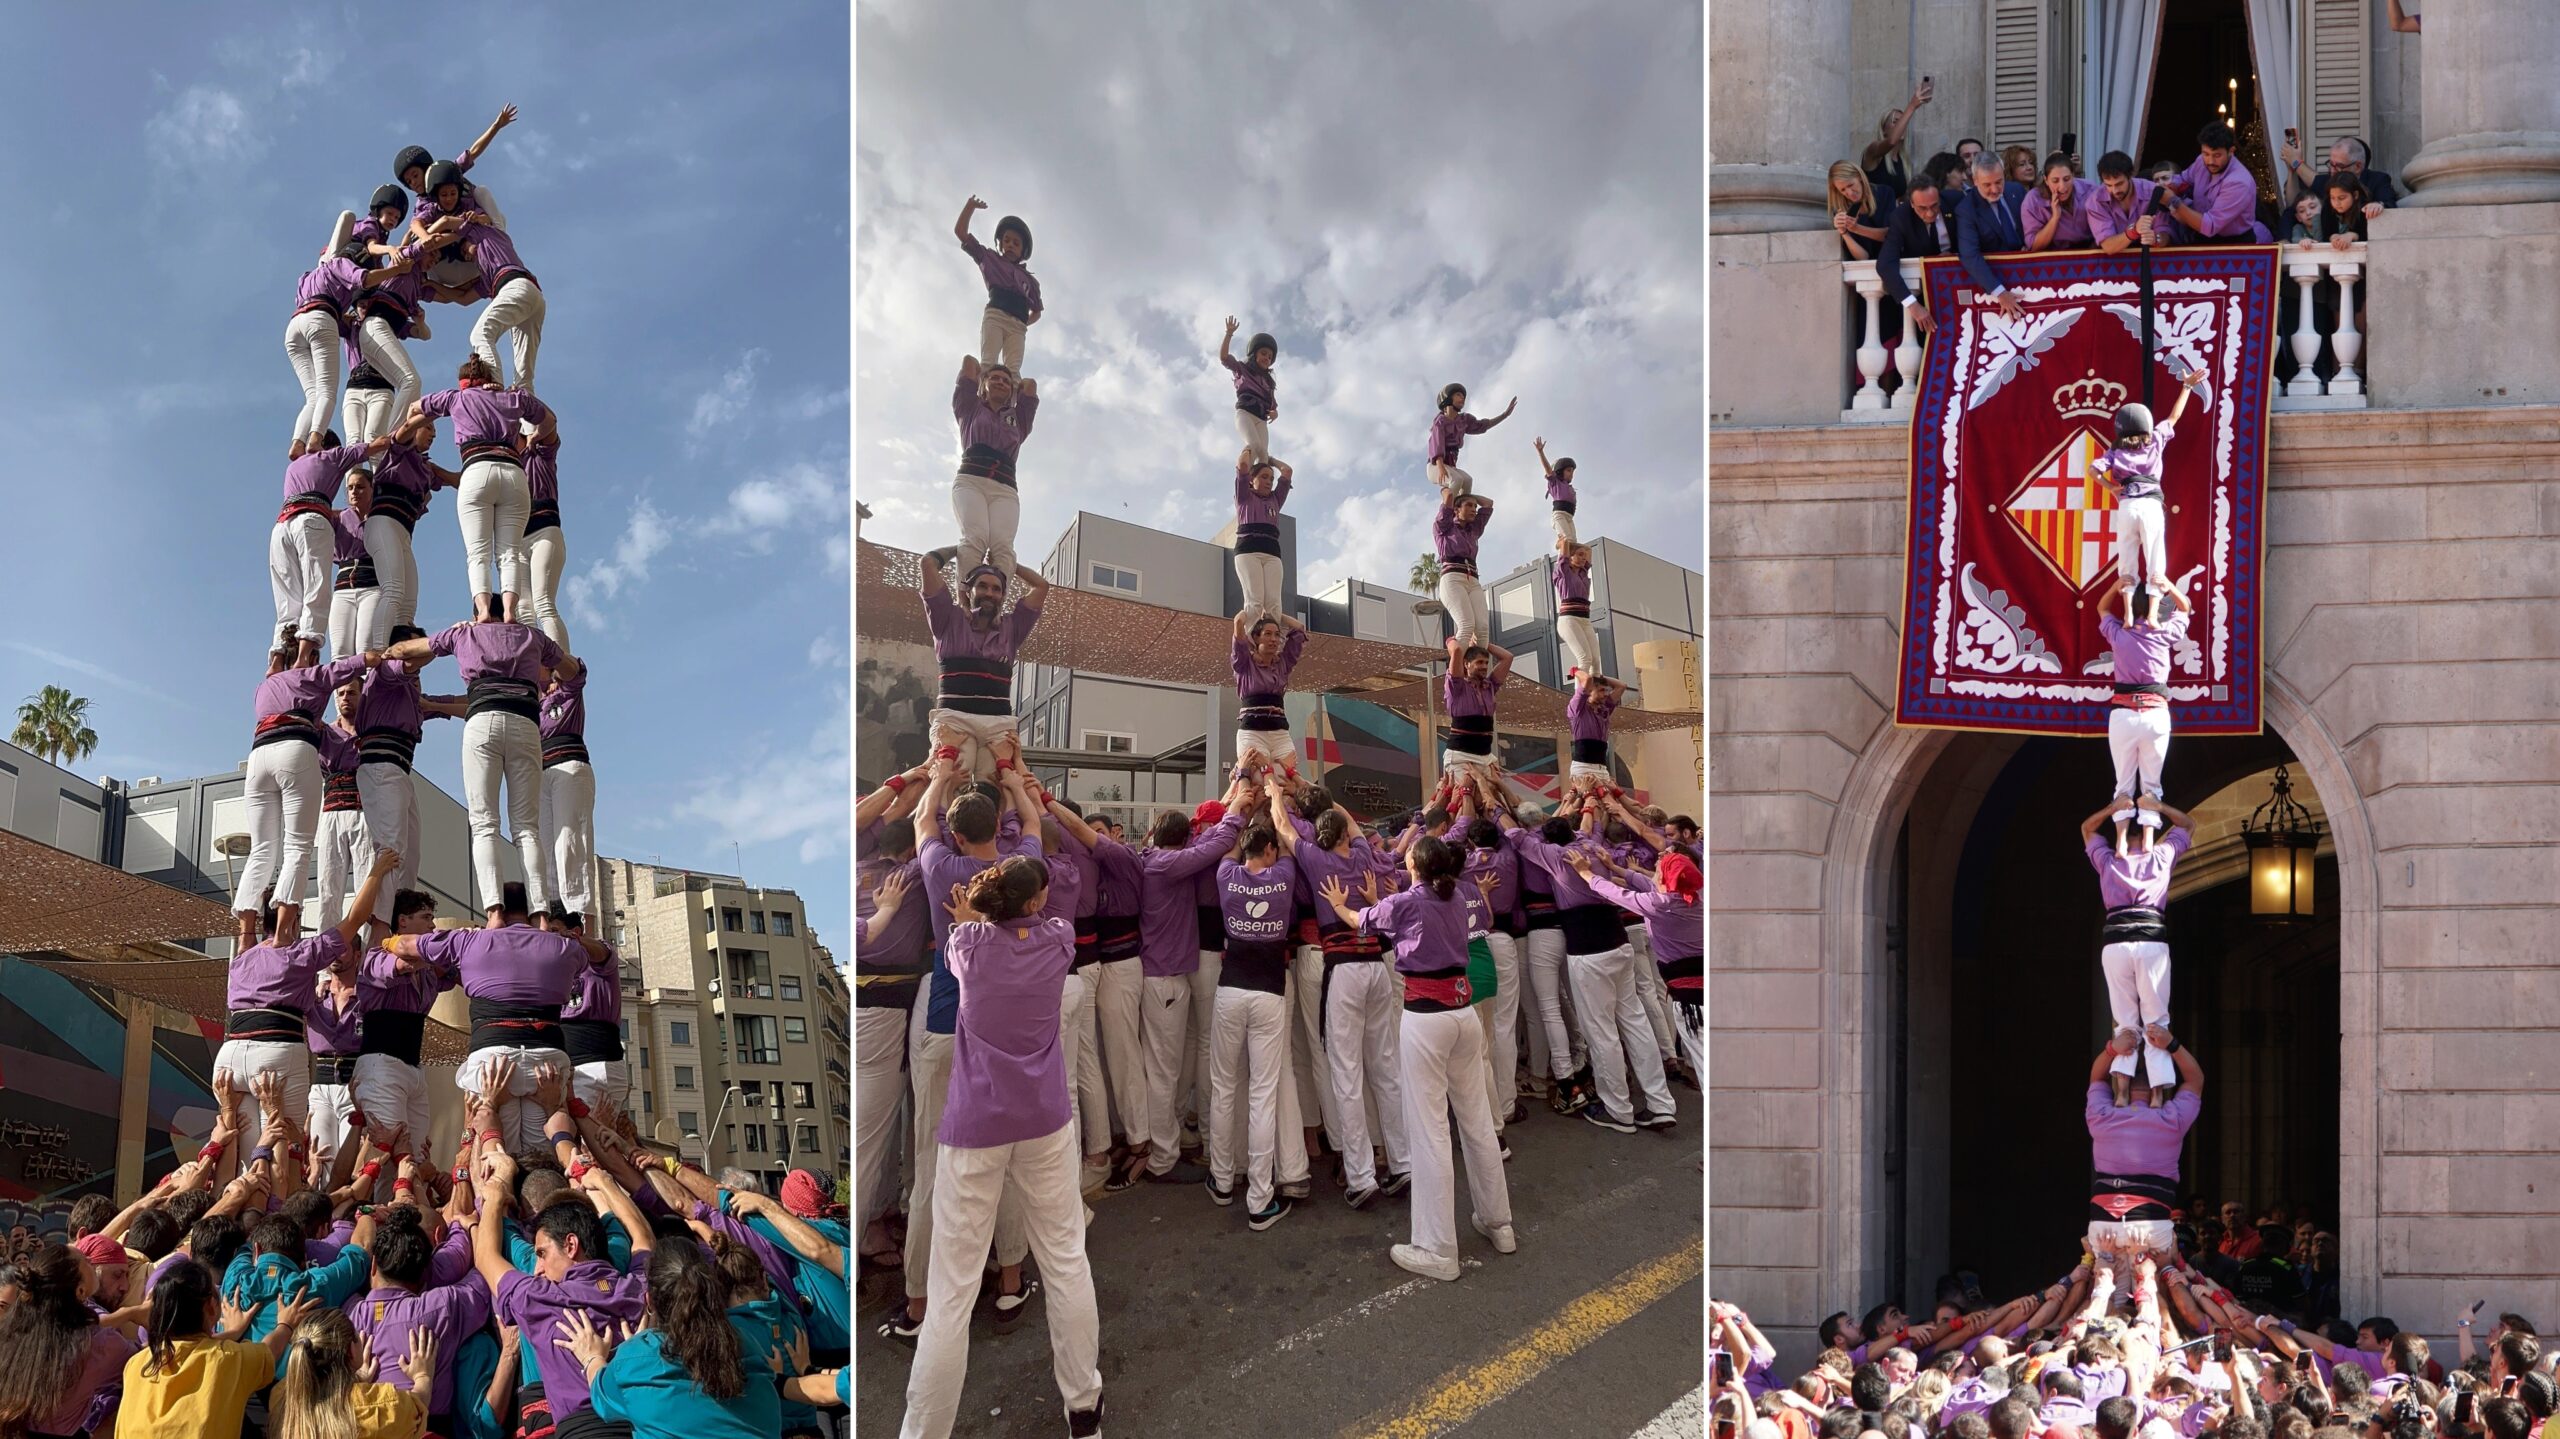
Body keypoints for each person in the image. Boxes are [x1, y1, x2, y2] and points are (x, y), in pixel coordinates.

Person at [898, 856, 1106, 1439]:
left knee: (952, 1293)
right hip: (1043, 1121)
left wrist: (970, 914)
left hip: (974, 1129)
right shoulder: (1059, 941)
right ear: (1036, 903)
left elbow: (967, 933)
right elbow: (1054, 892)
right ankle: (1083, 1405)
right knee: (1066, 1260)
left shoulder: (967, 944)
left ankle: (923, 1431)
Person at [887, 764, 1047, 1341]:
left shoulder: (939, 867)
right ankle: (1008, 1282)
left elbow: (920, 817)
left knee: (932, 1167)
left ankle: (918, 1301)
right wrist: (1007, 775)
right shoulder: (1020, 868)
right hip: (994, 1031)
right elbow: (1031, 817)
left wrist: (941, 772)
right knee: (1002, 1160)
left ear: (955, 834)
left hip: (940, 1019)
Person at [1316, 836, 1516, 1284]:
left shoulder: (1407, 902)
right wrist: (1378, 900)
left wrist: (1339, 902)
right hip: (1462, 1012)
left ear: (1416, 866)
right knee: (1477, 1122)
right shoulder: (1460, 892)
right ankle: (1498, 1222)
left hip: (1426, 1017)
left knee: (1429, 1131)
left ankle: (1437, 1245)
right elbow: (1424, 910)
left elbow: (1361, 920)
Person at [380, 882, 615, 1154]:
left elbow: (405, 945)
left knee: (493, 1157)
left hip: (493, 1059)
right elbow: (600, 960)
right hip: (546, 1060)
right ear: (535, 911)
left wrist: (386, 940)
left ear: (493, 908)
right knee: (544, 1157)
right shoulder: (563, 946)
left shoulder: (469, 940)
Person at [1500, 802, 1674, 1134]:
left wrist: (1493, 804)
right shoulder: (1591, 845)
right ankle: (1660, 1103)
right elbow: (1588, 825)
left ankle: (1618, 1109)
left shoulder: (1556, 856)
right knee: (1634, 1022)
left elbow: (1518, 836)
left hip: (1588, 947)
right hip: (1617, 938)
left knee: (1601, 1030)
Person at [384, 616, 573, 919]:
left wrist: (391, 652)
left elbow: (406, 651)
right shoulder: (530, 638)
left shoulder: (465, 635)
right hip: (524, 724)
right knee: (526, 828)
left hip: (483, 722)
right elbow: (573, 669)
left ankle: (495, 912)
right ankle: (540, 914)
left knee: (485, 823)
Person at [1273, 788, 1409, 1208]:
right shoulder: (1364, 854)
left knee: (1345, 1074)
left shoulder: (1316, 859)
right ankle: (1403, 1162)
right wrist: (1329, 803)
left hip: (1344, 969)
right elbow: (1349, 823)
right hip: (1375, 966)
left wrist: (1276, 791)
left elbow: (1281, 825)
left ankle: (1361, 1174)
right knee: (1385, 1069)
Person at [1114, 777, 1250, 1189]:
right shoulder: (1172, 864)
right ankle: (1163, 1156)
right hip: (1167, 979)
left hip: (1166, 976)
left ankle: (1172, 1139)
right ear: (1187, 837)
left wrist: (1234, 796)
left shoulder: (1154, 856)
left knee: (1173, 1064)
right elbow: (1215, 841)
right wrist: (1240, 805)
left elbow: (1203, 839)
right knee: (1165, 1071)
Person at [235, 642, 383, 946]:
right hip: (295, 750)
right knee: (297, 847)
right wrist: (390, 654)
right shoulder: (313, 676)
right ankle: (283, 931)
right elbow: (362, 660)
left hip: (259, 754)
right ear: (311, 656)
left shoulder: (264, 687)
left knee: (262, 848)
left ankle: (246, 933)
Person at [563, 1239, 786, 1439]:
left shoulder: (636, 1363)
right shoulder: (748, 1345)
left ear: (649, 1300)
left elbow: (603, 1399)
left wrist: (592, 1357)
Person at [1206, 821, 1303, 1230]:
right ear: (1267, 850)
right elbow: (1284, 843)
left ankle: (1223, 1178)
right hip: (1269, 993)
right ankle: (1260, 1198)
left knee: (1224, 1087)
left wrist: (1245, 816)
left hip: (1229, 991)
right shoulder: (1283, 877)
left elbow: (1227, 851)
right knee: (1263, 1095)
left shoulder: (1226, 874)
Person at [414, 355, 552, 622]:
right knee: (509, 552)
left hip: (476, 470)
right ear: (491, 380)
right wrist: (534, 437)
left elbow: (413, 409)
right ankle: (511, 612)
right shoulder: (513, 398)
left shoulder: (455, 398)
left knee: (478, 553)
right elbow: (550, 421)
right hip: (513, 472)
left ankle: (485, 611)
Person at [117, 1259, 322, 1437]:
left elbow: (189, 1349)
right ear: (209, 1306)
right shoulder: (227, 1359)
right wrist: (285, 1324)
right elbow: (270, 1351)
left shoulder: (136, 1364)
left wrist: (232, 1332)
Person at [854, 777, 931, 1255]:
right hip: (883, 1006)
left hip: (885, 1007)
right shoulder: (909, 875)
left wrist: (914, 780)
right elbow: (930, 832)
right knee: (872, 1132)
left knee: (886, 1125)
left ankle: (877, 1223)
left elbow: (887, 816)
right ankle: (856, 1240)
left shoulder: (857, 858)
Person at [2081, 798, 2195, 1102]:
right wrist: (2159, 808)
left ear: (2122, 835)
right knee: (2157, 1021)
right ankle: (2158, 1094)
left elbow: (2086, 828)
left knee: (2125, 1022)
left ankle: (2122, 1092)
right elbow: (2188, 824)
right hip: (2150, 941)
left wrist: (2111, 809)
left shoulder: (2108, 860)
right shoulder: (2160, 857)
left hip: (2116, 942)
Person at [1568, 844, 1703, 1080]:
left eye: (1659, 868)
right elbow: (1648, 883)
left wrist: (1586, 873)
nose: (1655, 870)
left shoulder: (1661, 905)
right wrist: (1613, 867)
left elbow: (1617, 894)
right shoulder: (1694, 898)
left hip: (1690, 1003)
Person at [2085, 1024, 2204, 1283]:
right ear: (2158, 1088)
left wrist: (2112, 1049)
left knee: (2109, 1303)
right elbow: (2195, 1079)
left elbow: (2096, 1078)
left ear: (2119, 1082)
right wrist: (2171, 1044)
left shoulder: (2103, 1117)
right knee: (2154, 1299)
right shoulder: (2171, 1119)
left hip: (2104, 1224)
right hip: (2151, 1224)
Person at [917, 547, 1046, 780]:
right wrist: (962, 549)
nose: (990, 593)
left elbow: (1041, 587)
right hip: (954, 719)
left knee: (996, 786)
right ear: (969, 590)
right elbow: (927, 563)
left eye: (997, 589)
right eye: (983, 586)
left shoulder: (1013, 627)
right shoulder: (948, 619)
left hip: (997, 723)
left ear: (1003, 596)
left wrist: (1008, 564)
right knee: (949, 780)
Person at [2090, 368, 2206, 625]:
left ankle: (2129, 613)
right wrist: (2186, 387)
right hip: (2151, 506)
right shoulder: (2155, 439)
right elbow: (2175, 416)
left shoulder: (2116, 450)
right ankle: (2153, 615)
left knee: (2127, 559)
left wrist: (2109, 486)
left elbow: (2092, 469)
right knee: (2156, 558)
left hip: (2127, 507)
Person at [285, 241, 419, 460]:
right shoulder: (340, 264)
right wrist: (397, 269)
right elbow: (364, 279)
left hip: (295, 325)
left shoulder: (307, 276)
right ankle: (315, 440)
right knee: (327, 393)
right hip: (321, 318)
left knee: (313, 396)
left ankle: (297, 442)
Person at [271, 434, 394, 667]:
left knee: (364, 647)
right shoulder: (336, 515)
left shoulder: (382, 517)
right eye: (350, 487)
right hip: (342, 583)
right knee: (337, 647)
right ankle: (300, 658)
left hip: (368, 583)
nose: (353, 491)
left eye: (360, 487)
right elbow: (376, 444)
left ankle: (284, 656)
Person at [350, 891, 449, 1173]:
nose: (432, 925)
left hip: (412, 1067)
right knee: (385, 1150)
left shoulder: (429, 972)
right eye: (426, 918)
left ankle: (406, 1209)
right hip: (382, 1064)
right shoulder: (377, 957)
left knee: (415, 1154)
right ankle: (376, 1211)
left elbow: (456, 972)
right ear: (403, 921)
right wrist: (442, 947)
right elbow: (404, 964)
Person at [426, 168, 548, 393]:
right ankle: (528, 424)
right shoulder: (485, 274)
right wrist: (432, 285)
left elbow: (445, 220)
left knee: (480, 334)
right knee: (524, 374)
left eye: (464, 247)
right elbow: (463, 298)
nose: (467, 253)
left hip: (517, 285)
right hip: (529, 296)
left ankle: (495, 393)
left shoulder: (487, 232)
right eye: (463, 254)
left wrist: (418, 244)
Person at [347, 626, 436, 932]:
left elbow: (452, 703)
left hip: (398, 770)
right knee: (391, 849)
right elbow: (411, 661)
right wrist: (455, 639)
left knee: (410, 854)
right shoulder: (385, 673)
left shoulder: (408, 693)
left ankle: (401, 920)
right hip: (382, 766)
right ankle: (380, 928)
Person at [2097, 576, 2192, 852]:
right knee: (2152, 784)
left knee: (2123, 784)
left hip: (2123, 714)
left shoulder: (2119, 633)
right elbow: (2184, 608)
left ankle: (2122, 841)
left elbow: (2102, 610)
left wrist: (2115, 589)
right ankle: (2149, 840)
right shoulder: (2163, 633)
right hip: (2155, 714)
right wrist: (2168, 586)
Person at [0, 1243, 134, 1439]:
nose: (92, 1262)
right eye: (87, 1262)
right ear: (80, 1291)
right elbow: (143, 1363)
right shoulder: (97, 1344)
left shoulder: (12, 1331)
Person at [269, 1307, 433, 1439]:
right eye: (356, 1335)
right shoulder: (383, 1408)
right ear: (350, 1352)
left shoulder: (280, 1396)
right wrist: (422, 1375)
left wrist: (357, 1378)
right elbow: (417, 1407)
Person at [362, 417, 455, 648]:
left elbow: (457, 480)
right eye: (429, 428)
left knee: (407, 602)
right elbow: (404, 430)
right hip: (383, 522)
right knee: (392, 588)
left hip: (402, 531)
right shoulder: (399, 451)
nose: (433, 435)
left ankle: (400, 647)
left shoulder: (425, 467)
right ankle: (379, 650)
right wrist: (425, 411)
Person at [949, 356, 1040, 582]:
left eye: (1006, 381)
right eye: (995, 379)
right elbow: (970, 362)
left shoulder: (1019, 418)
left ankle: (996, 604)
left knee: (1003, 546)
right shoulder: (969, 407)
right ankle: (965, 596)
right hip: (971, 480)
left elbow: (1030, 385)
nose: (1000, 382)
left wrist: (1012, 386)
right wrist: (985, 376)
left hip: (1005, 488)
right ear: (984, 384)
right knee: (975, 537)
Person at [538, 653, 596, 924]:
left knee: (570, 841)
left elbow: (570, 667)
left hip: (569, 765)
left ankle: (581, 916)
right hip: (541, 772)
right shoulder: (530, 701)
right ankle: (555, 912)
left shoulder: (567, 690)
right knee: (545, 845)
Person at [953, 197, 1041, 373]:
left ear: (1023, 251)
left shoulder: (1030, 280)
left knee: (1013, 370)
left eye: (1016, 243)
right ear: (1000, 243)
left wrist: (1023, 322)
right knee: (988, 363)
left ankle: (1011, 399)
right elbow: (961, 232)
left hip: (1018, 325)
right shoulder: (990, 258)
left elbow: (1037, 311)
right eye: (1007, 241)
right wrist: (970, 206)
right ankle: (983, 396)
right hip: (996, 315)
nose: (1010, 245)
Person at [2163, 120, 2274, 244]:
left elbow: (2210, 226)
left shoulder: (2239, 182)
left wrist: (2173, 202)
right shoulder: (2201, 161)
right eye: (2206, 153)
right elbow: (2183, 179)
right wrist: (2172, 187)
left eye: (2217, 155)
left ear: (2231, 151)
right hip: (2201, 236)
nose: (2210, 161)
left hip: (2234, 243)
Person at [1954, 150, 2031, 320]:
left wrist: (2031, 244)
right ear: (1975, 181)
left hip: (2029, 277)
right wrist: (2000, 292)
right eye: (1987, 185)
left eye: (1999, 182)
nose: (1995, 189)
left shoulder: (2017, 191)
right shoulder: (1966, 210)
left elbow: (2033, 226)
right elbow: (1969, 255)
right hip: (1996, 283)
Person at [518, 412, 571, 655]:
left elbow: (550, 423)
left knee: (543, 603)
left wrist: (533, 434)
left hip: (543, 531)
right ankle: (534, 667)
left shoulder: (539, 455)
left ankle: (562, 666)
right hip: (518, 541)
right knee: (523, 608)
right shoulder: (504, 467)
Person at [1231, 611, 1309, 775]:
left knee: (1284, 779)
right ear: (1256, 638)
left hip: (1279, 733)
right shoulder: (1244, 663)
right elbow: (1238, 622)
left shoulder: (1283, 664)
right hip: (1253, 731)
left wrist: (1275, 613)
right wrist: (1254, 608)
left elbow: (1299, 629)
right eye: (1267, 634)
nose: (1274, 639)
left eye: (1277, 635)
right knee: (1258, 779)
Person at [1878, 174, 1954, 339]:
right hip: (1924, 292)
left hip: (1957, 284)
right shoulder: (1900, 217)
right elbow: (1885, 264)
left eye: (1934, 206)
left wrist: (1954, 256)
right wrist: (1912, 304)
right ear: (1911, 204)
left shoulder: (1955, 201)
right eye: (1922, 208)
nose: (1929, 213)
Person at [1230, 447, 1294, 624]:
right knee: (1255, 603)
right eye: (1264, 477)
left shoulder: (1275, 500)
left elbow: (1287, 471)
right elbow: (1243, 465)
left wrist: (1269, 459)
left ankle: (1270, 642)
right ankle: (1248, 644)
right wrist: (1250, 448)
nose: (1269, 482)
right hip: (1248, 551)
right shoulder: (1244, 497)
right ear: (1251, 480)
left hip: (1272, 553)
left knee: (1274, 604)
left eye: (1272, 479)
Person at [1439, 640, 1513, 791]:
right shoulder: (1457, 686)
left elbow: (1508, 657)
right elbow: (1457, 650)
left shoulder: (1490, 686)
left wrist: (1484, 642)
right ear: (1466, 664)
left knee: (1492, 802)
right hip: (1461, 755)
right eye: (1479, 662)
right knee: (1465, 799)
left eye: (1486, 662)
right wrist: (1452, 640)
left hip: (1485, 755)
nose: (1484, 666)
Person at [1425, 383, 1515, 499]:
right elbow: (1437, 445)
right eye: (1458, 395)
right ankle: (1447, 511)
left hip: (1450, 466)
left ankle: (1462, 511)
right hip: (1436, 465)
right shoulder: (1441, 422)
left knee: (1467, 480)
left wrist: (1504, 415)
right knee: (1456, 480)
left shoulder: (1463, 420)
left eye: (1463, 396)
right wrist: (1441, 467)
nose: (1462, 398)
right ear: (1447, 398)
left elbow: (1482, 425)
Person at [1433, 492, 1497, 648]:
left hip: (1473, 579)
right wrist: (1454, 494)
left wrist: (1468, 494)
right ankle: (1456, 670)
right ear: (1456, 509)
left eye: (1475, 506)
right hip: (1453, 578)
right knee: (1466, 625)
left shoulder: (1474, 529)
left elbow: (1488, 503)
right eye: (1469, 505)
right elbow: (1448, 499)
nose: (1474, 509)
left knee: (1482, 628)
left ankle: (1479, 670)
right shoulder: (1444, 527)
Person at [1219, 316, 1282, 468]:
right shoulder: (1242, 369)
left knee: (1264, 455)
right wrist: (1229, 334)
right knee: (1253, 445)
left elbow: (1273, 408)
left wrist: (1275, 413)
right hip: (1245, 413)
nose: (1267, 358)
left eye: (1270, 356)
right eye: (1264, 353)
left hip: (1261, 419)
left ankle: (1256, 487)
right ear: (1254, 354)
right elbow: (1224, 358)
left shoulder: (1268, 384)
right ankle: (1242, 479)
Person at [2089, 151, 2174, 255]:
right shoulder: (2095, 201)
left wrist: (2156, 239)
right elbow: (2108, 246)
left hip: (2150, 258)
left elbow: (2165, 232)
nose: (2115, 190)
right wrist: (2133, 231)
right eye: (2108, 185)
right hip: (2113, 263)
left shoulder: (2153, 192)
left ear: (2130, 176)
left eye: (2119, 184)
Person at [2285, 135, 2398, 213]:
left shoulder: (2378, 179)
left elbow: (2390, 204)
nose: (2333, 170)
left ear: (2358, 166)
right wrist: (2292, 167)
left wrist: (2379, 205)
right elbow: (2293, 203)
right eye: (2331, 164)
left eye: (2339, 166)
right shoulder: (2331, 179)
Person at [1860, 81, 1932, 199]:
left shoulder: (1903, 161)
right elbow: (1891, 141)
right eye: (1895, 122)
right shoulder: (1873, 150)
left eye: (1903, 122)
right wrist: (1912, 105)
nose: (1901, 126)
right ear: (1884, 130)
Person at [1565, 667, 1628, 793]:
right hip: (1584, 767)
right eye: (1600, 690)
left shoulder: (1604, 709)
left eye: (1605, 690)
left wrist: (1601, 676)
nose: (1605, 694)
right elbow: (1587, 679)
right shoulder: (1578, 709)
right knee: (1590, 805)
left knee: (1608, 807)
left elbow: (1621, 686)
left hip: (1601, 767)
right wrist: (1575, 671)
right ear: (1589, 691)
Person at [2023, 152, 2102, 250]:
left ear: (2073, 175)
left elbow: (2106, 231)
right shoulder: (2033, 200)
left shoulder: (2091, 190)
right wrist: (2055, 218)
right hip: (2053, 258)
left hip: (2090, 253)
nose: (2062, 187)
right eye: (2055, 181)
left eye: (2067, 179)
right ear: (2046, 180)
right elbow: (2034, 246)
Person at [1830, 162, 1893, 260]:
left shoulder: (1884, 193)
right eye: (1843, 190)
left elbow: (1892, 236)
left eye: (1851, 185)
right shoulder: (1842, 210)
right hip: (1864, 269)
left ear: (1859, 176)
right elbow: (1862, 257)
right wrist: (1844, 232)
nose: (1850, 193)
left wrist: (1856, 228)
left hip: (1893, 260)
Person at [1532, 436, 1580, 549]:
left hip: (1569, 517)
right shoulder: (1556, 483)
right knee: (1567, 541)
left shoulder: (1570, 489)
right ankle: (1560, 548)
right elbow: (1548, 469)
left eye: (1572, 472)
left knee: (1574, 544)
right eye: (1568, 471)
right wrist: (1540, 452)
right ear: (1560, 471)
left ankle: (1570, 562)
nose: (1571, 474)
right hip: (1560, 515)